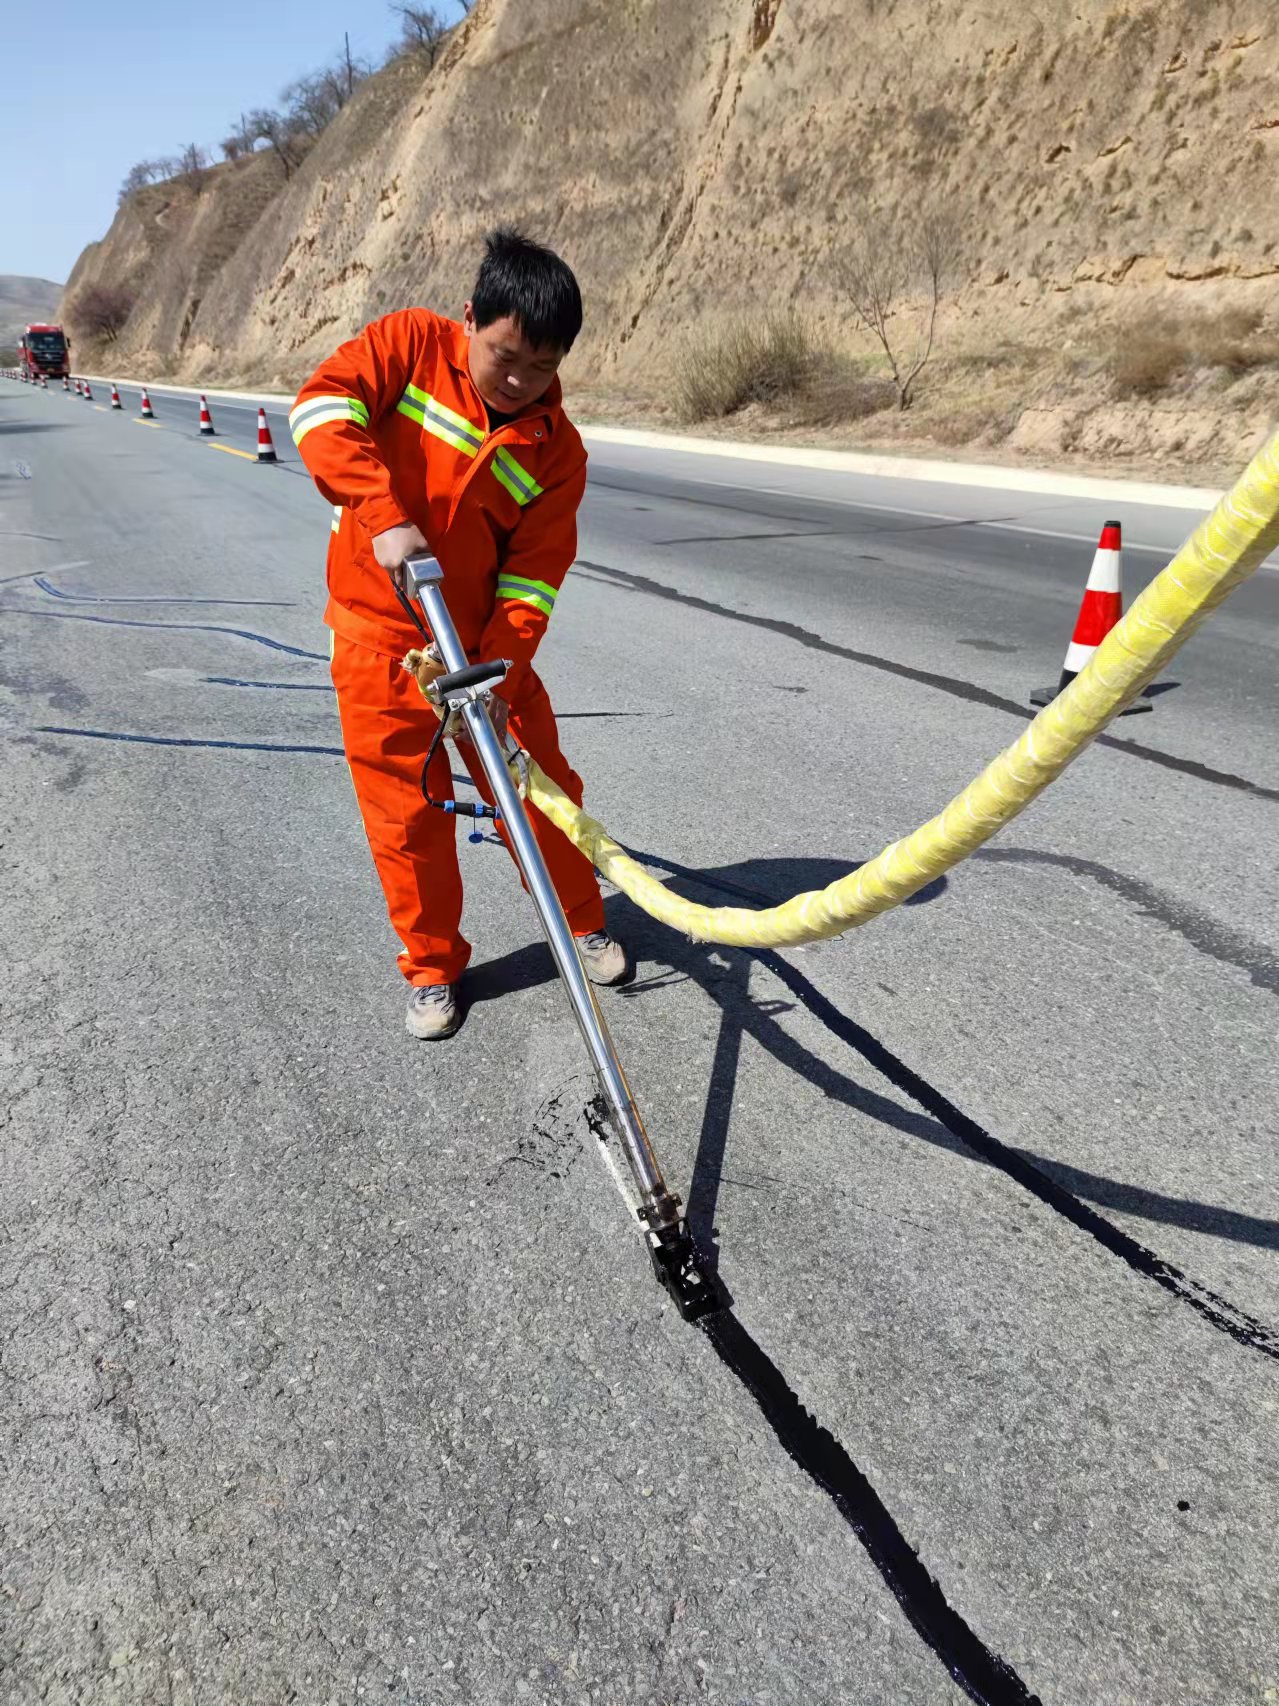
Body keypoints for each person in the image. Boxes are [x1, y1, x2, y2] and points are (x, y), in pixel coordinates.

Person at [291, 227, 630, 1039]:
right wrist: (382, 517)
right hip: (380, 641)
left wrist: (499, 668)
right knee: (403, 821)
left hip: (480, 657)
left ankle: (580, 922)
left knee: (542, 794)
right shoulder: (406, 347)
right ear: (469, 318)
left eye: (542, 368)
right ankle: (434, 970)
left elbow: (533, 577)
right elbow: (318, 409)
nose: (519, 382)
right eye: (504, 357)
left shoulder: (557, 449)